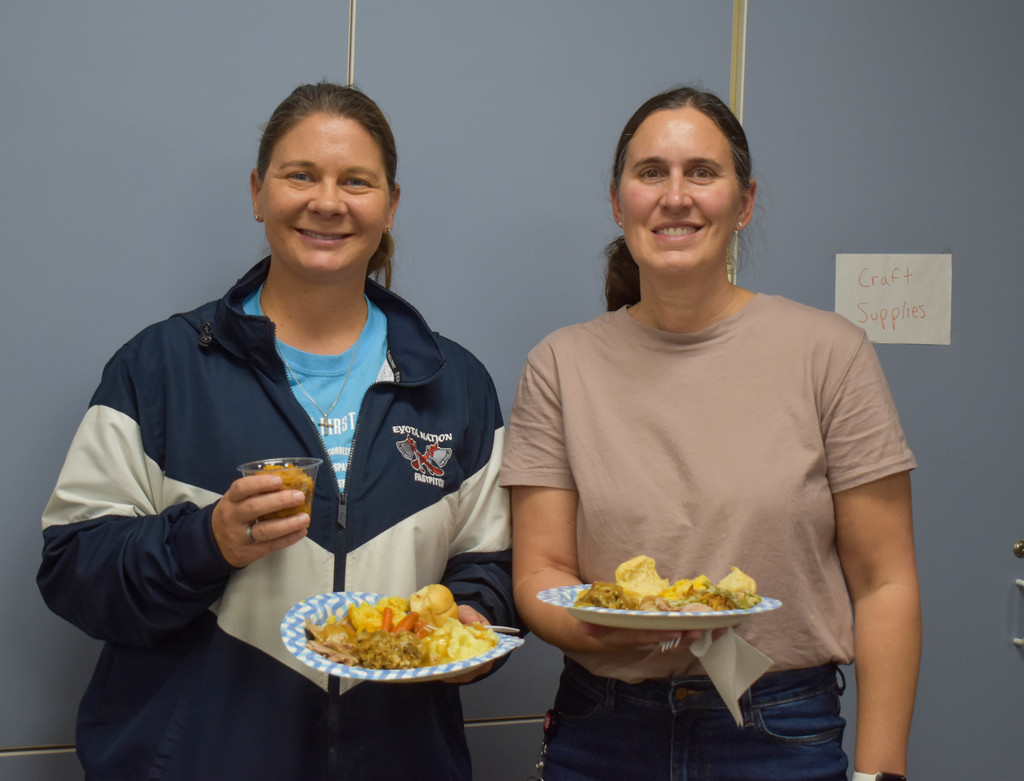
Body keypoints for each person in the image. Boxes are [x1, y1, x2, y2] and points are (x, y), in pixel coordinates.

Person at [38, 82, 515, 780]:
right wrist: (205, 542)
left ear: (390, 204)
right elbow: (72, 566)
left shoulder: (456, 384)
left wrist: (470, 623)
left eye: (356, 180)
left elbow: (490, 563)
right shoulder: (161, 368)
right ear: (259, 191)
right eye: (300, 175)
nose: (327, 201)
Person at [501, 86, 921, 781]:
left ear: (744, 201)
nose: (675, 195)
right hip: (604, 728)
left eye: (701, 171)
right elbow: (540, 571)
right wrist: (599, 623)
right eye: (650, 172)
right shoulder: (559, 364)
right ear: (617, 201)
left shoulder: (830, 353)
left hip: (779, 729)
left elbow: (885, 582)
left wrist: (882, 772)